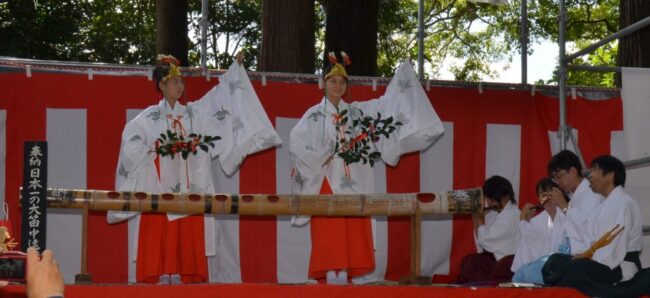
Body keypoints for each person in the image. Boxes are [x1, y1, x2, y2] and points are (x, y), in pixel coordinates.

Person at [107, 53, 280, 284]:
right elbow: (131, 142)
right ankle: (160, 273)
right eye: (175, 81)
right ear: (162, 84)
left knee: (187, 220)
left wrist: (234, 72)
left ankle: (181, 273)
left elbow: (218, 101)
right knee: (159, 220)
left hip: (189, 183)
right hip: (159, 183)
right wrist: (155, 148)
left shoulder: (193, 113)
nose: (180, 86)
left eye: (181, 82)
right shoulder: (148, 118)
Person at [289, 53, 444, 284]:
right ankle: (332, 275)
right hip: (326, 179)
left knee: (351, 226)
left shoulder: (357, 113)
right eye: (333, 81)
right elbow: (296, 142)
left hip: (353, 182)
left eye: (342, 82)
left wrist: (404, 72)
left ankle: (346, 276)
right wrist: (322, 155)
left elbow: (385, 105)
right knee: (329, 230)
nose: (338, 85)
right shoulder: (313, 115)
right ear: (323, 83)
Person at [542, 155, 650, 297]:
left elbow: (614, 246)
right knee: (555, 261)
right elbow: (589, 237)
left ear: (610, 175)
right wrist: (584, 254)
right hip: (600, 260)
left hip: (618, 267)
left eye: (595, 170)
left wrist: (587, 258)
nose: (590, 175)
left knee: (576, 267)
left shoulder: (624, 203)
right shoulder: (603, 205)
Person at [458, 175, 520, 284]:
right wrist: (476, 219)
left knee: (472, 263)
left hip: (507, 262)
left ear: (505, 196)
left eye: (492, 198)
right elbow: (482, 243)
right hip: (495, 259)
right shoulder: (493, 213)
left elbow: (487, 239)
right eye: (488, 198)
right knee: (470, 262)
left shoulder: (512, 214)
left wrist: (479, 220)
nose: (489, 202)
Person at [510, 178, 569, 284]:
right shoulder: (542, 217)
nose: (545, 198)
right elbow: (528, 235)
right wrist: (523, 220)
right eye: (541, 195)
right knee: (522, 273)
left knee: (529, 273)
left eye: (548, 193)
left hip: (561, 263)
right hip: (546, 263)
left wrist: (523, 220)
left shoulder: (566, 213)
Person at [547, 150, 603, 256]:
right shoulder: (573, 197)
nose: (557, 182)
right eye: (554, 179)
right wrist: (553, 213)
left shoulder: (592, 193)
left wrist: (564, 206)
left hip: (588, 258)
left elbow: (589, 232)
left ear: (572, 171)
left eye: (559, 176)